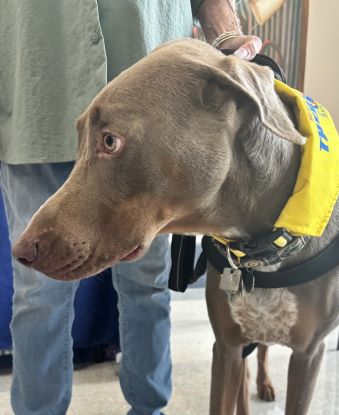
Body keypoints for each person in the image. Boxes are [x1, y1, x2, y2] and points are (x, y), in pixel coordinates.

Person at [0, 1, 261, 414]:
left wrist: (227, 36)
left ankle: (149, 408)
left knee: (146, 282)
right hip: (34, 91)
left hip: (153, 109)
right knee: (40, 289)